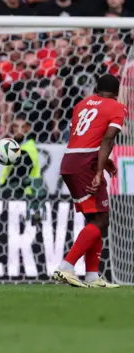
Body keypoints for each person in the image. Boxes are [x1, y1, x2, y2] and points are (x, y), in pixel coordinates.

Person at [54, 74, 125, 288]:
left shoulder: (81, 105)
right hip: (87, 164)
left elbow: (86, 136)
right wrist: (99, 170)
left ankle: (92, 276)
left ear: (96, 89)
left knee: (97, 219)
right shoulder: (116, 107)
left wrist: (104, 162)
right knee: (101, 220)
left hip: (70, 162)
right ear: (116, 92)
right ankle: (66, 266)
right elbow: (108, 138)